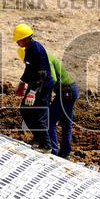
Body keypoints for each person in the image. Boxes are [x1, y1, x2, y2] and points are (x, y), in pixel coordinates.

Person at [17, 45, 80, 158]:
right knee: (66, 123)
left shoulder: (45, 59)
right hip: (69, 90)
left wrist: (37, 92)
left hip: (66, 92)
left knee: (49, 120)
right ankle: (65, 153)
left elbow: (53, 79)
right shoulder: (43, 56)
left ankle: (53, 150)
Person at [12, 23, 54, 152]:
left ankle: (46, 146)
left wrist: (32, 93)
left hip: (42, 87)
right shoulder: (30, 49)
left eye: (18, 40)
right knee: (25, 110)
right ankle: (38, 138)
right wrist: (22, 83)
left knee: (38, 114)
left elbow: (41, 74)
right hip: (35, 86)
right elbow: (29, 69)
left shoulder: (36, 49)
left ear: (25, 38)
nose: (17, 43)